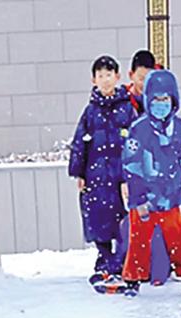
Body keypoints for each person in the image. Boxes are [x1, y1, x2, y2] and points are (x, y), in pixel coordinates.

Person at [121, 69, 181, 296]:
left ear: (173, 100)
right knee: (138, 240)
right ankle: (133, 279)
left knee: (179, 238)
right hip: (144, 197)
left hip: (171, 196)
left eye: (165, 99)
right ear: (148, 100)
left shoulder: (179, 128)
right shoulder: (139, 129)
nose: (160, 104)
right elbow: (131, 165)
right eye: (156, 100)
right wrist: (138, 198)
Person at [68, 55, 135, 287]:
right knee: (98, 219)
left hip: (120, 178)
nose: (105, 80)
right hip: (96, 177)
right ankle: (105, 260)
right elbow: (80, 143)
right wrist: (79, 173)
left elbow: (135, 144)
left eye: (109, 75)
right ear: (93, 80)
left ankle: (120, 263)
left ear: (117, 77)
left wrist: (130, 175)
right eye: (100, 76)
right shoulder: (90, 111)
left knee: (122, 221)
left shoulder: (127, 109)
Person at [127, 48, 157, 113]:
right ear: (131, 75)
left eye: (148, 80)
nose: (144, 84)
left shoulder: (157, 99)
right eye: (141, 79)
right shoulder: (122, 99)